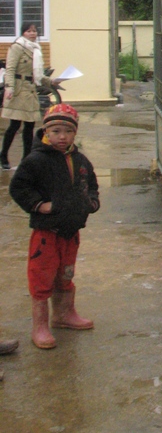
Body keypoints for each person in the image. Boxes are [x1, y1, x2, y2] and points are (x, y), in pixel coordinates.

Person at [9, 103, 100, 350]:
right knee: (42, 276)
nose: (62, 137)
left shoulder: (80, 160)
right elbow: (19, 187)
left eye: (68, 131)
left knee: (66, 273)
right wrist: (39, 205)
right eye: (56, 131)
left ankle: (64, 314)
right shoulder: (35, 161)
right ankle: (40, 326)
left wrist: (91, 202)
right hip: (46, 233)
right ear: (46, 131)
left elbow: (91, 184)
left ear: (75, 133)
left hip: (71, 232)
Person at [1, 22, 61, 170]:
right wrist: (9, 87)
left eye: (34, 31)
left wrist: (52, 81)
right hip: (18, 90)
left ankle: (26, 159)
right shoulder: (17, 47)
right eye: (29, 31)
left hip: (31, 90)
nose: (32, 33)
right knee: (15, 125)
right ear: (23, 33)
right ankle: (3, 156)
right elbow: (10, 69)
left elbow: (37, 75)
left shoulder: (36, 49)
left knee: (30, 126)